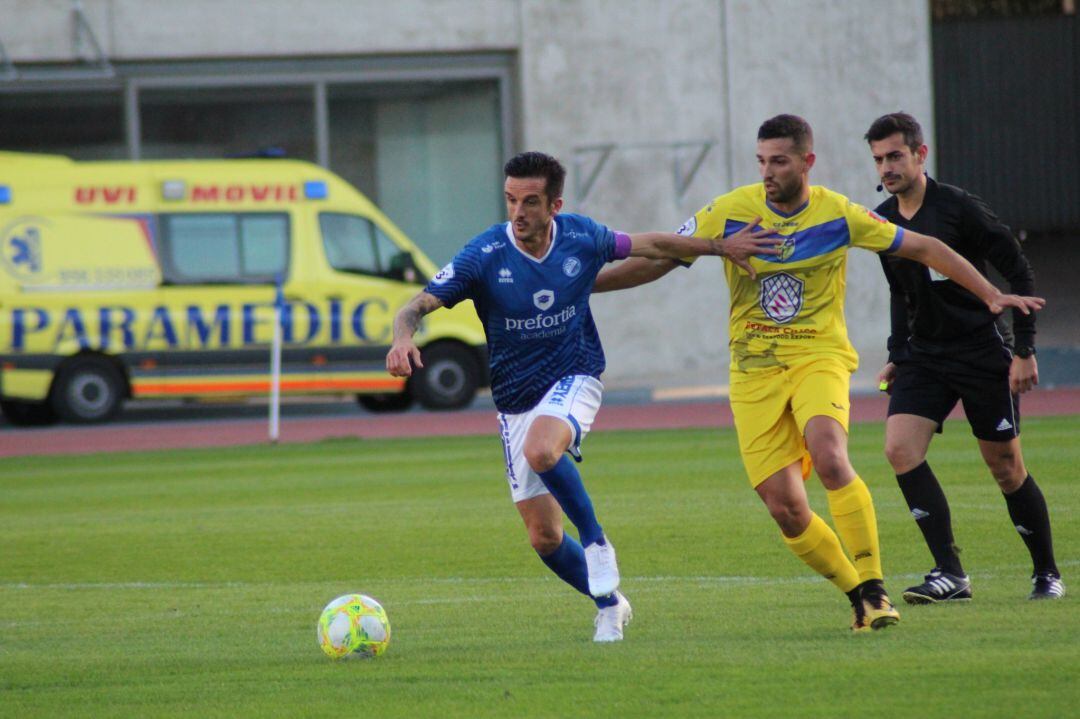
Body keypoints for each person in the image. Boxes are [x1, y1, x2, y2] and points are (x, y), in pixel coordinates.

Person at [593, 114, 1045, 631]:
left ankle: (875, 588)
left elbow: (925, 247)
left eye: (779, 161)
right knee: (785, 507)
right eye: (761, 161)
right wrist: (590, 287)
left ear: (806, 162)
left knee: (830, 455)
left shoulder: (839, 215)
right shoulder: (729, 212)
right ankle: (856, 593)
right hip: (753, 369)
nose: (767, 172)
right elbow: (661, 256)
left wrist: (990, 294)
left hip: (817, 356)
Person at [385, 151, 779, 642]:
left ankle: (596, 541)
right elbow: (416, 305)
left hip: (576, 375)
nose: (518, 212)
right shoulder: (484, 255)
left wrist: (720, 246)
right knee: (544, 537)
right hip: (514, 401)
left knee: (543, 449)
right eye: (511, 200)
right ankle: (610, 604)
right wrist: (403, 337)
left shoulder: (581, 236)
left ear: (555, 204)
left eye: (531, 201)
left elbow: (650, 243)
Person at [865, 112, 1064, 602]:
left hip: (980, 350)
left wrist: (1024, 349)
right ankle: (949, 573)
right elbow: (900, 293)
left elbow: (1018, 271)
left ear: (920, 154)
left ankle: (1047, 573)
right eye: (878, 159)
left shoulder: (957, 208)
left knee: (1005, 468)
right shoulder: (883, 222)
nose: (886, 167)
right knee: (899, 451)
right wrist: (897, 352)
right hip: (925, 357)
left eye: (894, 155)